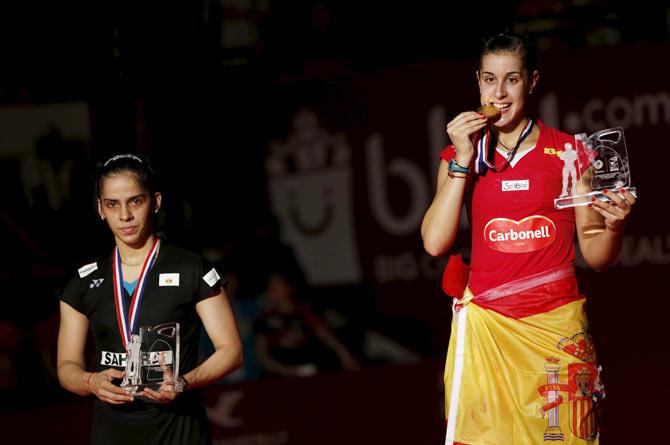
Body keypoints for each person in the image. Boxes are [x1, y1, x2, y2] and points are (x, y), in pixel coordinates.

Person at [421, 32, 635, 444]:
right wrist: (462, 160)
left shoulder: (571, 153)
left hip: (553, 330)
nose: (498, 93)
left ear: (532, 82)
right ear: (477, 81)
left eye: (511, 80)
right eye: (488, 79)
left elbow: (596, 255)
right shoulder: (460, 155)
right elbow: (434, 242)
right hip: (488, 333)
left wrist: (614, 225)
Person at [56, 154, 243, 444]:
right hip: (112, 434)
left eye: (135, 201)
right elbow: (66, 365)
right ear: (100, 209)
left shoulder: (192, 268)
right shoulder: (82, 281)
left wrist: (183, 382)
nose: (125, 216)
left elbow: (231, 351)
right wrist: (90, 381)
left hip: (179, 433)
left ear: (155, 202)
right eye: (112, 204)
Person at [254, 271, 359, 377]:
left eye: (277, 284)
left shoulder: (304, 311)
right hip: (280, 375)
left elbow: (326, 336)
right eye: (270, 285)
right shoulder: (264, 318)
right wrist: (287, 371)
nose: (273, 289)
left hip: (309, 370)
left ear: (289, 287)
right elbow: (262, 356)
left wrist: (345, 355)